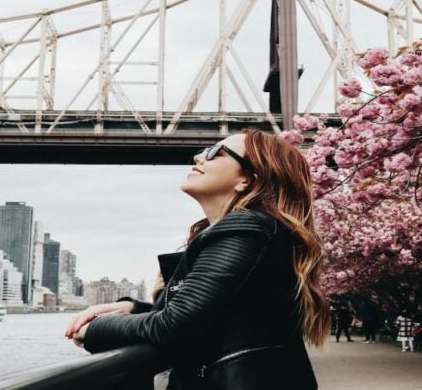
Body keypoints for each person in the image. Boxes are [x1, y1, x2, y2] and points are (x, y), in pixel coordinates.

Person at [64, 129, 329, 389]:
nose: (199, 157)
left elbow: (176, 324)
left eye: (215, 152)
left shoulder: (245, 228)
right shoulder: (260, 231)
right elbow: (232, 316)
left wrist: (95, 330)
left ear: (247, 180)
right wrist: (135, 309)